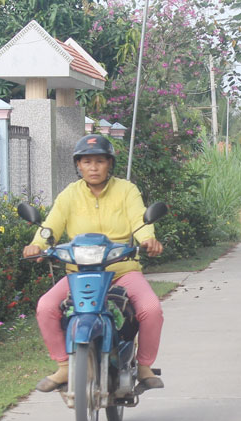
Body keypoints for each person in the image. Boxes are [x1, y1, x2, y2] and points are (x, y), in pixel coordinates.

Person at [23, 134, 165, 393]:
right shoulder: (69, 194)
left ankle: (144, 366)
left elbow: (140, 220)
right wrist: (37, 245)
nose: (93, 167)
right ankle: (64, 366)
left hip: (122, 271)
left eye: (99, 161)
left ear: (109, 163)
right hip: (80, 274)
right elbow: (50, 226)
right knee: (46, 307)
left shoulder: (127, 190)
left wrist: (148, 240)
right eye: (87, 162)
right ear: (78, 165)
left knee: (151, 309)